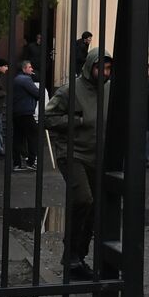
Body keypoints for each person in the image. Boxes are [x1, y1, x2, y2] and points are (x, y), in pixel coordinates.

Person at [45, 47, 111, 280]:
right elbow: (47, 117)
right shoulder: (70, 90)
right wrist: (76, 120)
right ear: (89, 67)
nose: (103, 72)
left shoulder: (109, 90)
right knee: (83, 198)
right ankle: (71, 254)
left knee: (92, 208)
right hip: (73, 154)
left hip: (97, 155)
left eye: (107, 68)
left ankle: (76, 258)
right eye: (99, 67)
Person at [11, 59, 43, 172]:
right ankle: (31, 161)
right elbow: (38, 94)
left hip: (17, 111)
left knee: (18, 137)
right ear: (24, 69)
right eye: (30, 67)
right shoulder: (25, 79)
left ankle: (17, 163)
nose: (32, 69)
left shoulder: (17, 79)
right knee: (33, 135)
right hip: (25, 112)